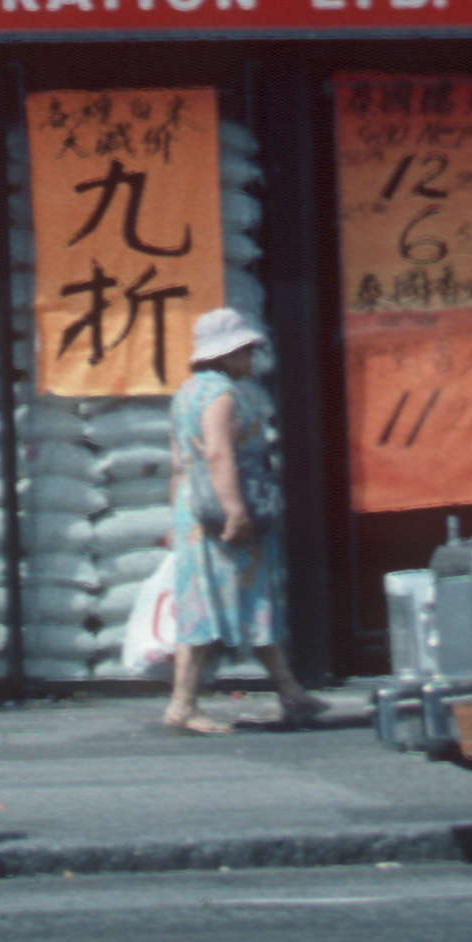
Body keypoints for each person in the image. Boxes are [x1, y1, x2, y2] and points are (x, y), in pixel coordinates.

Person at [157, 307, 322, 735]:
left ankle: (291, 693)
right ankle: (182, 705)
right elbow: (218, 453)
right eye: (245, 351)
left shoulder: (186, 393)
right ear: (226, 355)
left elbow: (180, 463)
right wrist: (235, 510)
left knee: (249, 600)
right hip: (223, 510)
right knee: (207, 606)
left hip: (194, 509)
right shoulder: (222, 396)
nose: (250, 359)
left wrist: (176, 517)